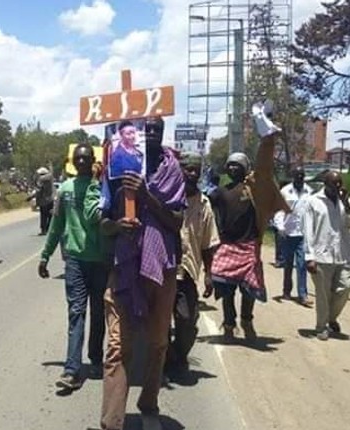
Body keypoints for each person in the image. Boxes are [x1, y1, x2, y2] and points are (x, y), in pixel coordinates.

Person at [100, 116, 186, 430]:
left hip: (160, 270)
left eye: (155, 129)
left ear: (162, 133)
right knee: (117, 348)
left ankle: (149, 400)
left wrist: (147, 195)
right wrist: (117, 226)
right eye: (143, 128)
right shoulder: (117, 166)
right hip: (125, 268)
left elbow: (176, 222)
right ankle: (111, 422)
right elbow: (104, 221)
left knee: (158, 342)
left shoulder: (171, 170)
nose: (148, 133)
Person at [209, 102, 289, 342]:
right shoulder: (220, 192)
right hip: (227, 246)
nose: (233, 167)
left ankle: (247, 320)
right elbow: (204, 208)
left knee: (249, 290)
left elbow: (264, 168)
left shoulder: (254, 187)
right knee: (226, 289)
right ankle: (229, 324)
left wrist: (266, 140)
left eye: (238, 164)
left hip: (248, 246)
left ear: (245, 168)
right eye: (230, 164)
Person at [37, 144, 107, 391]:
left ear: (93, 160)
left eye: (86, 158)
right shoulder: (64, 190)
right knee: (76, 312)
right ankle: (72, 369)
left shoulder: (102, 188)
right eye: (78, 158)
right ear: (72, 161)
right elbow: (56, 225)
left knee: (99, 311)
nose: (82, 162)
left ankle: (97, 359)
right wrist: (45, 256)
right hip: (75, 261)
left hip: (101, 260)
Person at [166, 153, 220, 376]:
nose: (192, 173)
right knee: (157, 323)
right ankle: (164, 357)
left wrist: (209, 274)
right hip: (163, 270)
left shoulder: (204, 204)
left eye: (196, 169)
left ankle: (178, 355)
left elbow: (208, 244)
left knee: (187, 321)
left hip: (187, 273)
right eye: (188, 168)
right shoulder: (165, 197)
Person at [302, 171, 350, 341]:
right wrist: (309, 257)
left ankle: (331, 317)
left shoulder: (345, 202)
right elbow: (308, 231)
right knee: (323, 294)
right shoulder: (313, 202)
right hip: (321, 255)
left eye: (340, 183)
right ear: (325, 184)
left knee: (346, 286)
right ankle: (322, 326)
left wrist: (346, 202)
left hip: (343, 253)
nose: (338, 187)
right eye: (335, 184)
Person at [273, 166, 314, 306]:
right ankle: (286, 291)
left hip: (303, 234)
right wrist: (280, 227)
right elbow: (278, 210)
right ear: (293, 176)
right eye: (297, 175)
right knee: (288, 264)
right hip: (288, 233)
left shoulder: (309, 191)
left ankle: (303, 295)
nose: (300, 178)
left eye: (302, 175)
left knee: (302, 265)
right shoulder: (285, 191)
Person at [31, 167, 55, 235]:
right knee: (50, 216)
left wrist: (33, 197)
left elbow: (39, 190)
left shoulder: (41, 180)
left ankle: (44, 230)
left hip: (43, 201)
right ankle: (49, 229)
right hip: (50, 199)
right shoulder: (50, 178)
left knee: (43, 216)